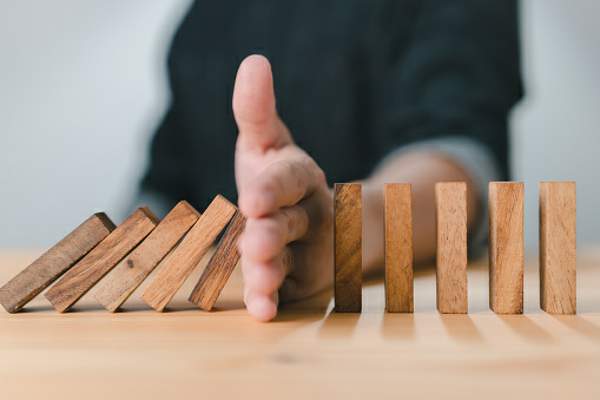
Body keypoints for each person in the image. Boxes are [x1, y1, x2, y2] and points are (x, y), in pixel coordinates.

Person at [139, 1, 522, 321]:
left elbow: (458, 158)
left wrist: (342, 231)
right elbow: (163, 188)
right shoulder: (205, 16)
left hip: (387, 332)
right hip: (214, 335)